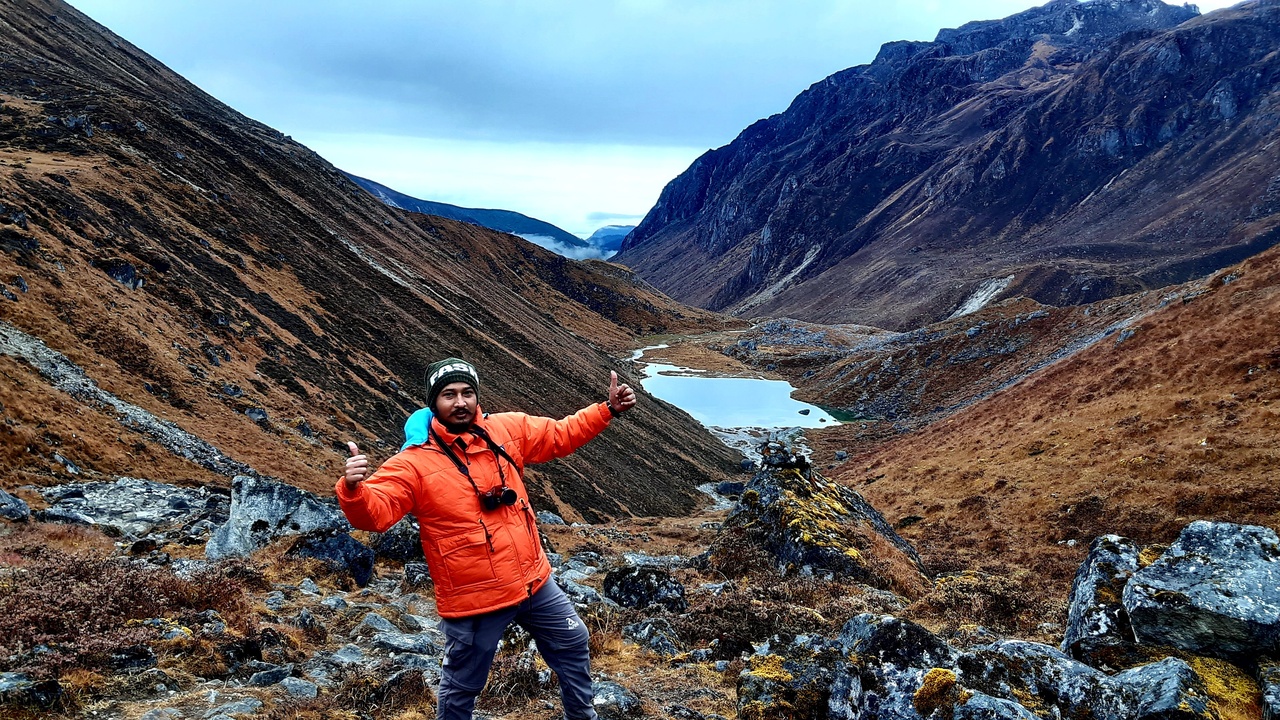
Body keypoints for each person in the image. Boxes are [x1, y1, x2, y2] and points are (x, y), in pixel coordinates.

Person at [337, 357, 636, 720]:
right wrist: (353, 489)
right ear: (433, 403)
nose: (460, 402)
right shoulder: (412, 463)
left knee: (573, 641)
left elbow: (560, 435)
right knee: (463, 685)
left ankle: (581, 715)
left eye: (467, 393)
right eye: (449, 395)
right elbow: (377, 513)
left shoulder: (505, 429)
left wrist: (607, 410)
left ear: (477, 397)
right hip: (475, 596)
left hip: (532, 580)